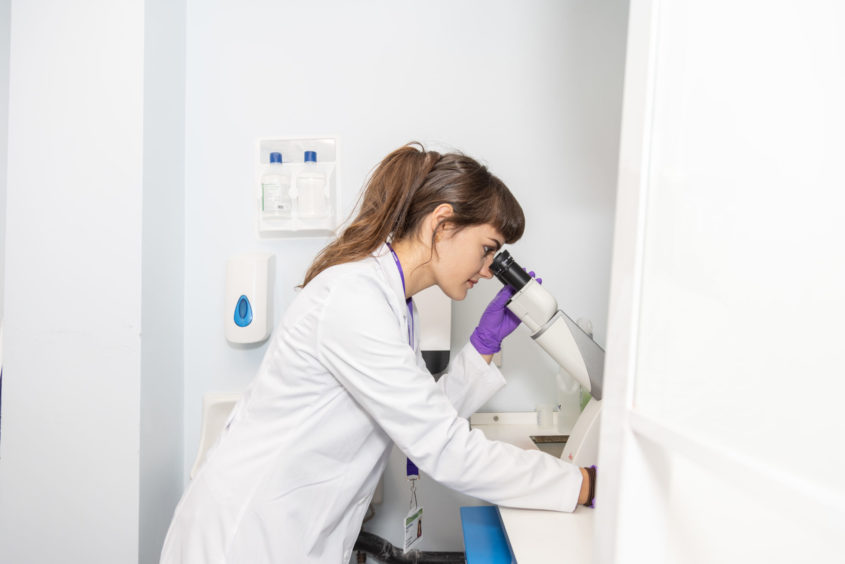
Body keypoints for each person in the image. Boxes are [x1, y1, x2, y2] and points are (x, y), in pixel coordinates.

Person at [160, 142, 595, 564]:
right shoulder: (354, 299)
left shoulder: (397, 306)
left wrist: (482, 348)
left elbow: (422, 419)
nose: (488, 269)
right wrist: (580, 484)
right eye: (488, 249)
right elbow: (443, 447)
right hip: (245, 538)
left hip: (290, 532)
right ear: (442, 224)